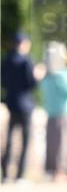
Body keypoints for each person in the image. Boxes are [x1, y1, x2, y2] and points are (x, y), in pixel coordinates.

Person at [1, 31, 42, 182]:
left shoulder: (6, 60)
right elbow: (31, 83)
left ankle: (5, 174)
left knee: (10, 139)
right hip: (26, 105)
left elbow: (4, 81)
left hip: (11, 103)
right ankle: (20, 175)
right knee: (25, 140)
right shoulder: (27, 61)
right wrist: (38, 75)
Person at [40, 41, 67, 182]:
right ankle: (63, 172)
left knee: (56, 144)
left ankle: (58, 171)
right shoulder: (64, 74)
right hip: (64, 113)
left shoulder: (48, 75)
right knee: (63, 144)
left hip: (54, 113)